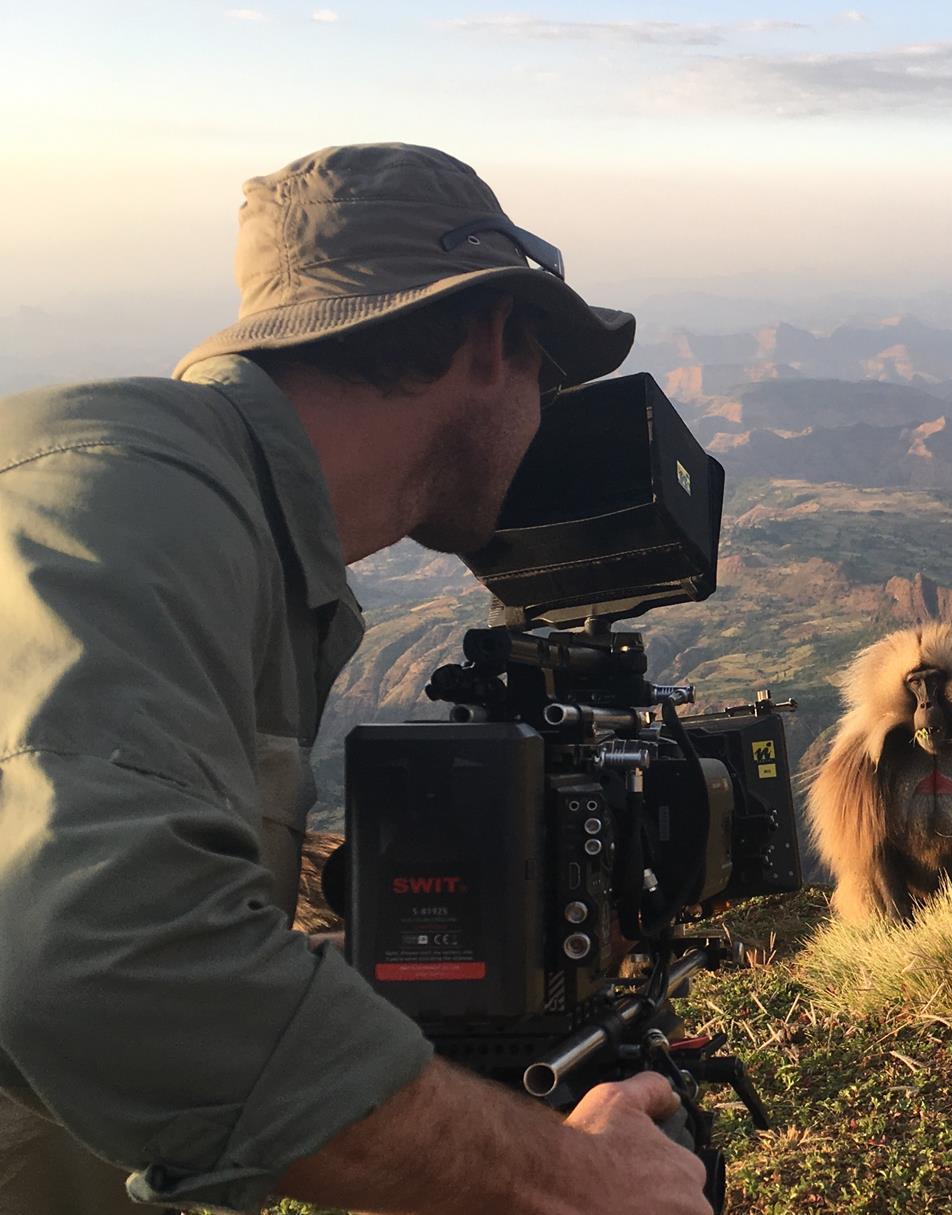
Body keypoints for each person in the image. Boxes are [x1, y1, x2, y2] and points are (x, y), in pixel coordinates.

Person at [0, 144, 711, 1215]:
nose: (548, 415)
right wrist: (571, 1180)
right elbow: (90, 960)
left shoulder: (224, 522)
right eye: (548, 376)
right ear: (488, 337)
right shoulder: (130, 500)